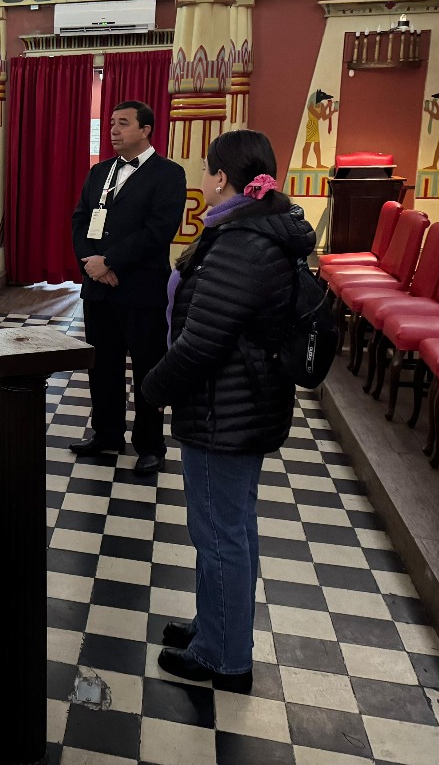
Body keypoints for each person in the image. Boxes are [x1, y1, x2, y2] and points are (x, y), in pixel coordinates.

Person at [141, 129, 315, 693]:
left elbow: (202, 342)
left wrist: (151, 389)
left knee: (220, 533)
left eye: (205, 169)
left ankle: (223, 657)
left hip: (225, 408)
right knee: (228, 527)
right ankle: (215, 626)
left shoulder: (244, 243)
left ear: (221, 178)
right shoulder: (252, 228)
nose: (200, 177)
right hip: (238, 403)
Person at [70, 101, 184, 475]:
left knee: (148, 368)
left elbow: (158, 231)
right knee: (102, 366)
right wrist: (92, 264)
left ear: (146, 130)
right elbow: (80, 221)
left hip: (142, 289)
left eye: (123, 123)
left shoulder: (168, 174)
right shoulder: (99, 171)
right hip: (99, 289)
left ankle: (150, 445)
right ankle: (107, 434)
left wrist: (111, 261)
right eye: (111, 123)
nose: (114, 130)